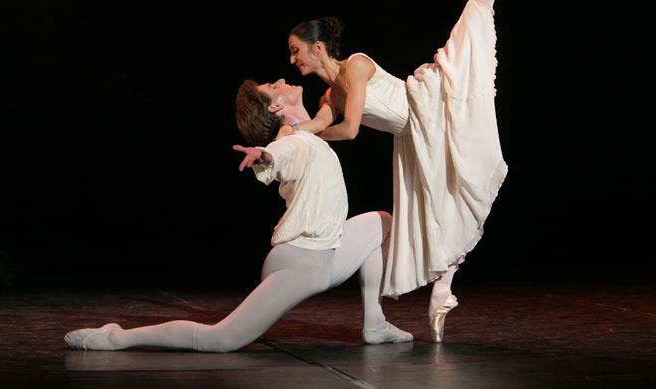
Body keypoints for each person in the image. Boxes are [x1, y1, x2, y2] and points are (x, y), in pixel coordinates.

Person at [276, 0, 518, 342]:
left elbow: (344, 131)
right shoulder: (328, 93)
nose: (292, 58)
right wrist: (286, 136)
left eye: (296, 50)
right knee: (439, 208)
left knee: (478, 6)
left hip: (427, 104)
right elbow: (319, 127)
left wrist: (304, 133)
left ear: (319, 48)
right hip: (411, 136)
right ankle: (444, 283)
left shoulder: (356, 68)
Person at [63, 78, 412, 352]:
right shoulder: (293, 141)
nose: (279, 80)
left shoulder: (310, 136)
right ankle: (117, 338)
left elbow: (329, 113)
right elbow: (280, 152)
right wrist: (264, 154)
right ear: (276, 107)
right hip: (300, 262)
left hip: (326, 255)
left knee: (382, 221)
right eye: (273, 87)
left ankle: (375, 323)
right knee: (219, 340)